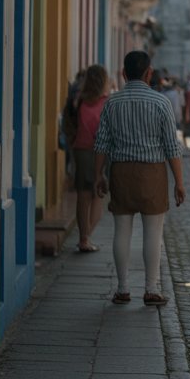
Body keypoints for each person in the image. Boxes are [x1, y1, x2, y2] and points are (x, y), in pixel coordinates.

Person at [94, 50, 185, 307]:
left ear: (123, 73)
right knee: (153, 233)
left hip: (121, 171)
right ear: (149, 73)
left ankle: (122, 289)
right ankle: (151, 289)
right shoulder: (161, 103)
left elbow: (101, 143)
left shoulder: (112, 102)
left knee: (121, 231)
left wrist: (98, 175)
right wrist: (179, 182)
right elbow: (171, 146)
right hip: (152, 173)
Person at [64, 63, 110, 253]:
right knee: (98, 194)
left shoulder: (77, 101)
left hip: (80, 151)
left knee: (82, 196)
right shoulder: (106, 101)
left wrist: (75, 139)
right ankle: (86, 238)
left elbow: (68, 124)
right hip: (100, 152)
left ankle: (84, 238)